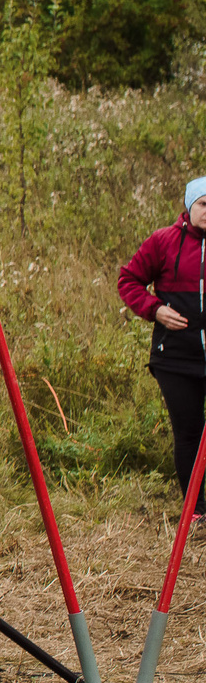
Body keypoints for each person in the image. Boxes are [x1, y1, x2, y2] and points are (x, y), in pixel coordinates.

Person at [118, 176, 206, 494]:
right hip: (175, 358)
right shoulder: (163, 241)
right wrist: (155, 309)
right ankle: (195, 511)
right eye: (203, 204)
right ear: (189, 205)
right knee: (189, 433)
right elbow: (128, 280)